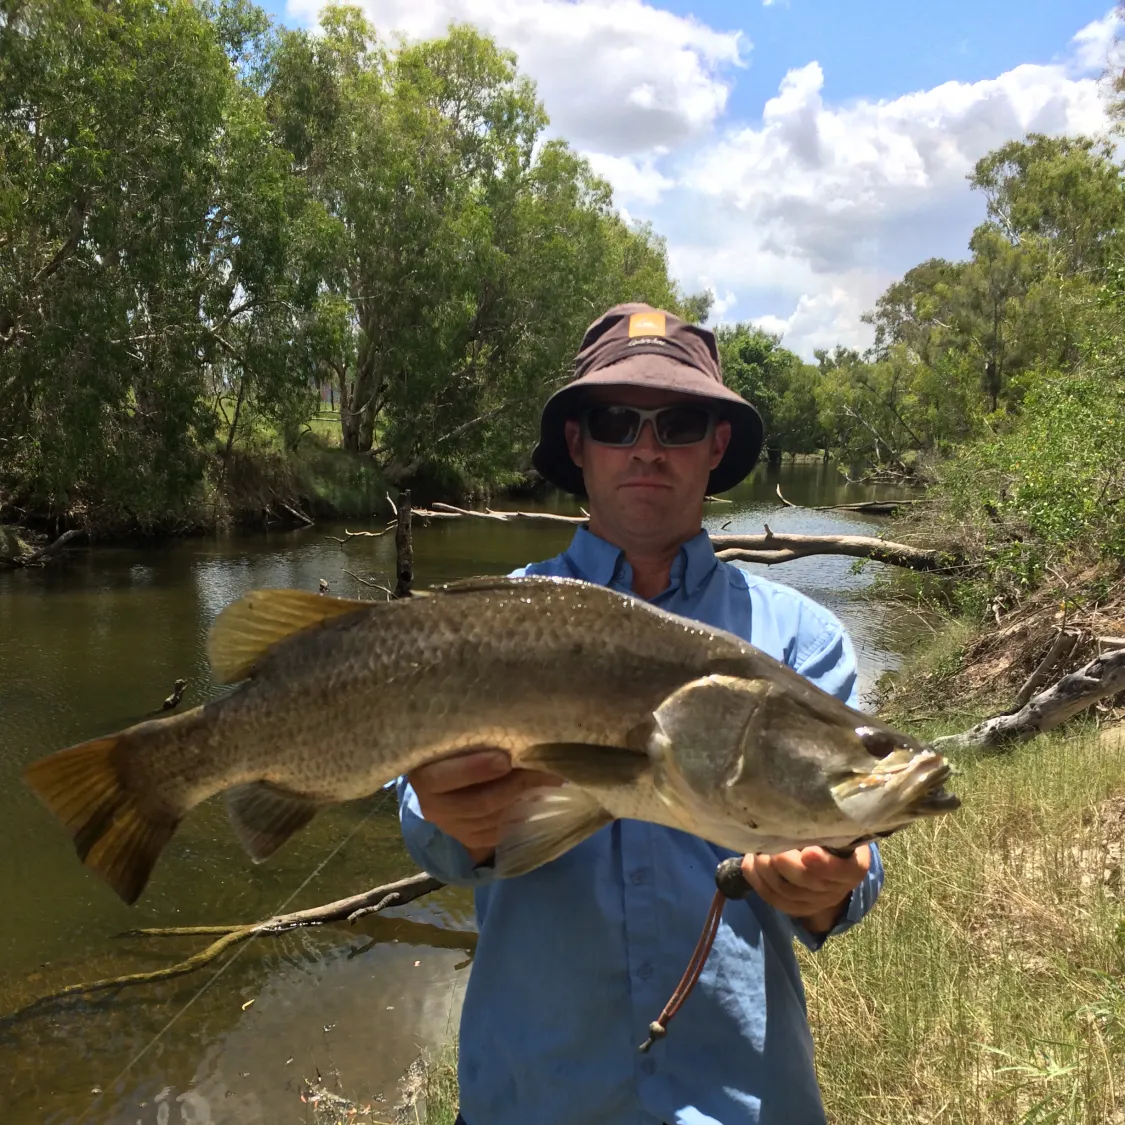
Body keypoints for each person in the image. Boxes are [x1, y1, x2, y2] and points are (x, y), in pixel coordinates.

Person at [396, 303, 884, 1125]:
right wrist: (448, 815)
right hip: (533, 1096)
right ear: (580, 443)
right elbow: (426, 825)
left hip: (743, 1101)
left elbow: (854, 844)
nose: (647, 448)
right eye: (618, 421)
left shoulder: (802, 635)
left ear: (716, 445)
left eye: (679, 422)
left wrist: (837, 883)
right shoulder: (487, 621)